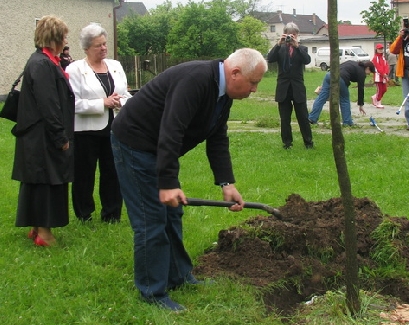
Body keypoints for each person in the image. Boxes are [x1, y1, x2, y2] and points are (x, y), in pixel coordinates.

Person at [111, 48, 268, 311]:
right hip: (134, 144)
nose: (254, 90)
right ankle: (152, 293)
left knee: (172, 214)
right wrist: (168, 182)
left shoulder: (223, 93)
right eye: (253, 83)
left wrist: (226, 183)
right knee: (151, 219)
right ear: (235, 73)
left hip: (154, 146)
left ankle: (179, 277)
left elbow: (218, 138)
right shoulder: (195, 79)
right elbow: (172, 130)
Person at [12, 15, 75, 246]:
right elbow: (49, 104)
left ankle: (36, 227)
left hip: (39, 134)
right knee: (48, 181)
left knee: (38, 181)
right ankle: (45, 234)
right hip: (43, 136)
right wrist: (61, 136)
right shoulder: (42, 64)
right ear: (55, 38)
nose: (66, 41)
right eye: (64, 37)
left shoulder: (45, 61)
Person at [67, 24, 132, 223]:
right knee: (84, 174)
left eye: (104, 44)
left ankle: (112, 215)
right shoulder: (75, 69)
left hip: (114, 128)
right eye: (98, 45)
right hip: (86, 130)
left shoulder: (115, 66)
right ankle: (84, 214)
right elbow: (71, 102)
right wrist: (101, 103)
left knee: (113, 171)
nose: (104, 48)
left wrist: (121, 101)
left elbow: (125, 94)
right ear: (87, 48)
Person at [267, 22, 313, 150]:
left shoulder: (302, 49)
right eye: (288, 34)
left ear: (297, 35)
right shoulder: (280, 48)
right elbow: (270, 58)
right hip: (283, 88)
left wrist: (296, 46)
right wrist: (278, 43)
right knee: (285, 118)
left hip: (297, 87)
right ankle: (287, 143)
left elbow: (307, 61)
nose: (290, 37)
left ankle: (308, 142)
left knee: (303, 117)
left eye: (293, 34)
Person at [308, 60, 375, 126]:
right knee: (344, 100)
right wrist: (361, 104)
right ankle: (347, 121)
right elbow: (361, 88)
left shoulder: (351, 62)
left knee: (321, 98)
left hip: (329, 74)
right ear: (368, 68)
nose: (368, 74)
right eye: (369, 72)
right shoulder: (361, 72)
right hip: (340, 78)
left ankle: (312, 118)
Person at [371, 44, 389, 108]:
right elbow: (377, 67)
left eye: (381, 49)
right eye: (379, 49)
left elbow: (386, 65)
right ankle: (378, 102)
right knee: (380, 90)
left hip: (383, 76)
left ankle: (375, 97)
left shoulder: (383, 57)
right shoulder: (375, 58)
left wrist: (386, 73)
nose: (381, 50)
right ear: (376, 50)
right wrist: (383, 74)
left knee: (384, 89)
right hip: (378, 77)